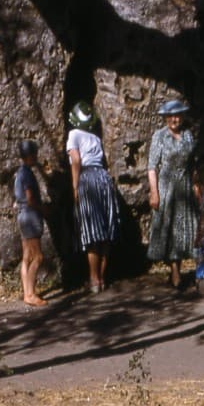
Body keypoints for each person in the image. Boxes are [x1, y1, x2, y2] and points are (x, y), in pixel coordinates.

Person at [147, 99, 202, 289]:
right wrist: (154, 193)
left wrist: (196, 185)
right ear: (165, 118)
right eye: (170, 116)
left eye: (177, 116)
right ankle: (175, 273)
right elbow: (152, 167)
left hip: (185, 187)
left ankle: (188, 270)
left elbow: (193, 164)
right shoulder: (159, 137)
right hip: (167, 188)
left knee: (185, 229)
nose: (174, 119)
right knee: (169, 229)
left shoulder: (187, 135)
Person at [66, 100, 120, 293]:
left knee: (91, 231)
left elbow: (76, 160)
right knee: (105, 231)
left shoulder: (73, 134)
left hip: (87, 178)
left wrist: (75, 186)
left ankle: (94, 279)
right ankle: (102, 278)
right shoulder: (95, 138)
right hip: (104, 178)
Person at [13, 139, 47, 306]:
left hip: (22, 215)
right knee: (38, 256)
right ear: (31, 155)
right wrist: (44, 210)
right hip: (30, 216)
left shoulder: (19, 173)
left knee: (26, 256)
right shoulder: (27, 173)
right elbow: (30, 198)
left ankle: (26, 292)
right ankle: (31, 294)